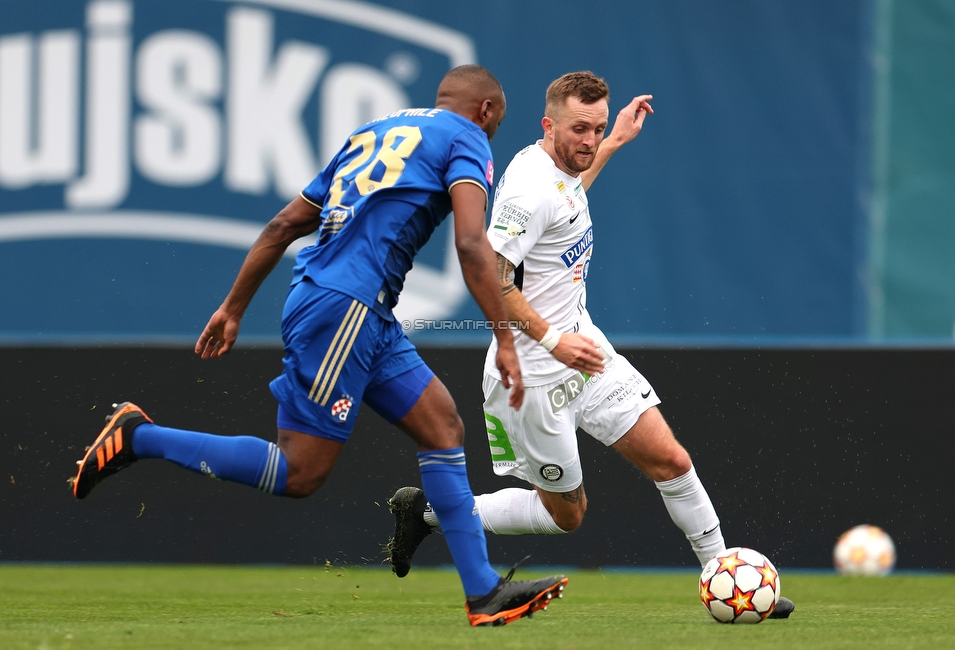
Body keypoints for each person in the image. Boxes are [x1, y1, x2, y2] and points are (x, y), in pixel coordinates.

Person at [71, 64, 567, 628]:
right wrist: (503, 336)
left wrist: (233, 306)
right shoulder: (467, 137)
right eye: (497, 120)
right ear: (486, 110)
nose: (493, 131)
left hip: (358, 309)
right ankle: (140, 437)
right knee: (299, 474)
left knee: (442, 425)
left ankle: (481, 591)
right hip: (345, 310)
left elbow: (285, 224)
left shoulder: (372, 132)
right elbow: (473, 243)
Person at [386, 71, 793, 619]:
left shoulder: (563, 172)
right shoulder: (527, 191)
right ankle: (429, 513)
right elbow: (491, 276)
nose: (589, 140)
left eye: (597, 128)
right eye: (580, 129)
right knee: (567, 514)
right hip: (532, 374)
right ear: (548, 124)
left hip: (585, 350)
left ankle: (725, 578)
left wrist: (618, 139)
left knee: (672, 460)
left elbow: (570, 194)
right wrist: (553, 341)